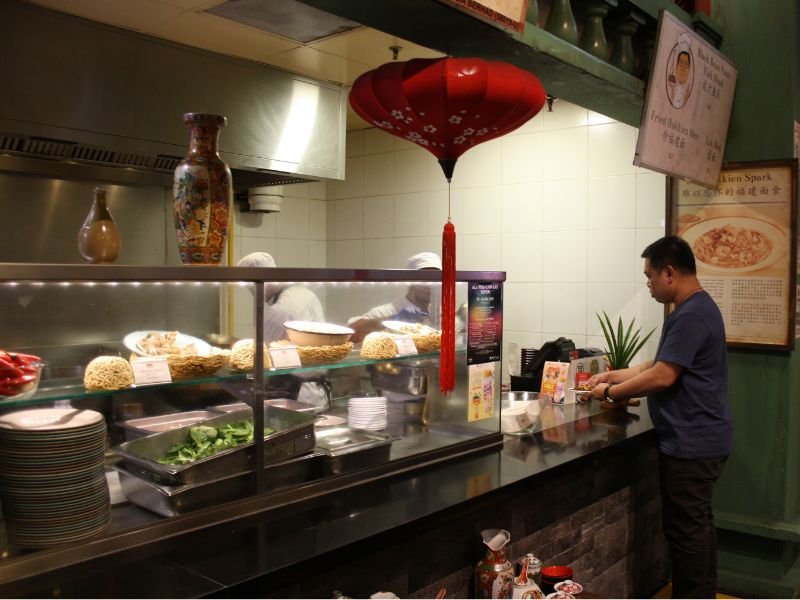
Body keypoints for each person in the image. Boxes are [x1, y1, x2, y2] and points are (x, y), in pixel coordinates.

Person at [586, 235, 732, 599]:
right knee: (696, 529)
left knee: (688, 534)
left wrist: (610, 393)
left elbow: (664, 376)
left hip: (693, 443)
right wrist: (614, 375)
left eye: (649, 276)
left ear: (669, 272)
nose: (648, 284)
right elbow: (660, 363)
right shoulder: (690, 309)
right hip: (698, 439)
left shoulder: (692, 313)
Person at [236, 251, 327, 408]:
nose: (251, 292)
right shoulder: (305, 294)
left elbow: (262, 355)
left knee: (294, 430)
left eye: (250, 287)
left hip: (295, 393)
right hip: (316, 390)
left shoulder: (279, 311)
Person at [348, 251, 442, 343]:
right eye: (425, 281)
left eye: (436, 281)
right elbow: (351, 333)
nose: (431, 286)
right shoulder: (386, 311)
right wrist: (390, 319)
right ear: (411, 282)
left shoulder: (440, 314)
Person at [236, 251, 324, 343]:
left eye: (251, 288)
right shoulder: (306, 294)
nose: (253, 294)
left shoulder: (277, 313)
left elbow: (265, 352)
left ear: (259, 282)